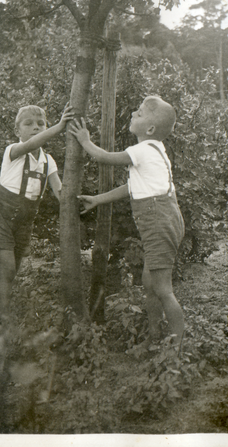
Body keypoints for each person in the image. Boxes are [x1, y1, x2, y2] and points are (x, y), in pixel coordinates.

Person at [69, 95, 185, 350]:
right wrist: (99, 199)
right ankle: (155, 334)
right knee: (149, 282)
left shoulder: (142, 150)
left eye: (140, 113)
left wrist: (85, 141)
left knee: (163, 289)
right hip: (164, 218)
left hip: (158, 222)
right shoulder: (155, 152)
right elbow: (130, 187)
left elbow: (102, 158)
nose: (133, 113)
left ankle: (177, 349)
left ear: (150, 129)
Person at [0, 102, 74, 318]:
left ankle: (0, 307)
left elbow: (59, 191)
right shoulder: (13, 152)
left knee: (12, 271)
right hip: (3, 217)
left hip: (25, 222)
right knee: (7, 268)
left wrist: (74, 201)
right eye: (29, 124)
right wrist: (60, 126)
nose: (36, 127)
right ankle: (2, 320)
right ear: (18, 131)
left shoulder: (48, 161)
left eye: (40, 124)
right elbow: (34, 143)